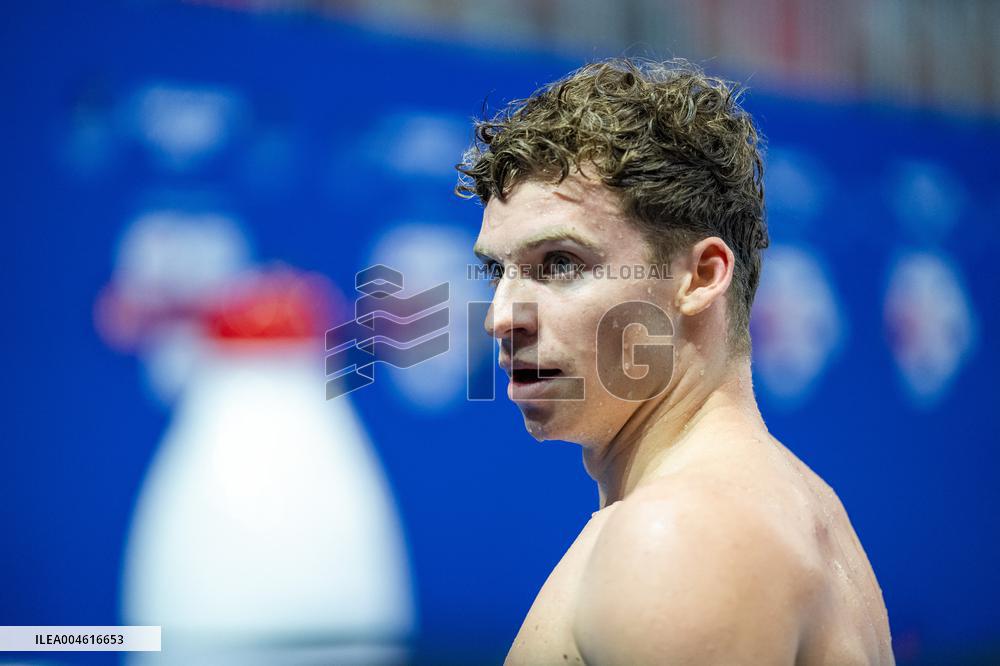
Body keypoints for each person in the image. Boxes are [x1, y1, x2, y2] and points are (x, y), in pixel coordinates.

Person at [457, 58, 893, 665]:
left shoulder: (679, 539)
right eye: (496, 272)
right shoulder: (789, 504)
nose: (500, 317)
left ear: (700, 276)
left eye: (559, 264)